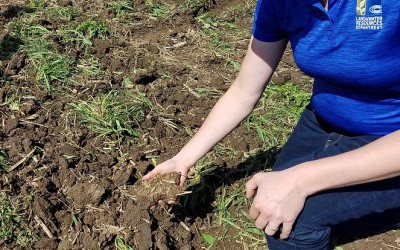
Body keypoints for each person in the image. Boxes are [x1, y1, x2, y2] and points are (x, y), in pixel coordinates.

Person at [144, 0, 400, 249]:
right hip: (323, 120)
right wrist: (184, 158)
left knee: (293, 225)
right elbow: (244, 92)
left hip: (391, 136)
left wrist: (302, 179)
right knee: (269, 200)